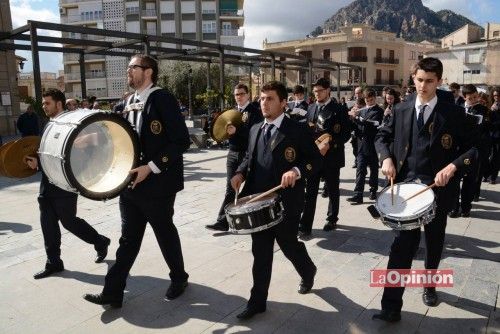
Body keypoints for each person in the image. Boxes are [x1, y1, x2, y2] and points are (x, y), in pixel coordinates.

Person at [372, 57, 477, 322]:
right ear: (413, 79)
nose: (423, 86)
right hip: (405, 191)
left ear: (439, 81)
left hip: (438, 190)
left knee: (433, 242)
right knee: (401, 246)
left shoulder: (453, 112)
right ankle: (391, 306)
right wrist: (385, 157)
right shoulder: (401, 108)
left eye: (429, 81)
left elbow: (474, 148)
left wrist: (453, 166)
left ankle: (430, 285)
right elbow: (382, 136)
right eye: (419, 80)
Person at [83, 54, 191, 307]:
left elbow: (181, 141)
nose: (128, 72)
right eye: (129, 69)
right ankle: (112, 293)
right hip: (130, 184)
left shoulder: (162, 98)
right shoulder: (128, 102)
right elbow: (115, 138)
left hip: (158, 184)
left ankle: (179, 278)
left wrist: (151, 167)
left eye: (132, 68)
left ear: (149, 71)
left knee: (164, 234)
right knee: (128, 240)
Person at [230, 81, 321, 320]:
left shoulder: (297, 130)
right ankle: (257, 301)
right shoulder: (255, 129)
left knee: (289, 245)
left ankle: (307, 270)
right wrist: (239, 173)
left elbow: (314, 160)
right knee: (260, 253)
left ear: (283, 102)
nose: (264, 103)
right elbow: (249, 157)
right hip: (258, 203)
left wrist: (297, 171)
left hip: (286, 201)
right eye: (261, 98)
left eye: (270, 99)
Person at [24, 88, 110, 280]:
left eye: (47, 103)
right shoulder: (49, 124)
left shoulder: (75, 121)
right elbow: (48, 153)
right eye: (44, 103)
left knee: (69, 222)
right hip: (47, 184)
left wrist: (86, 140)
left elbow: (104, 136)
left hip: (65, 183)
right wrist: (37, 163)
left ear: (59, 104)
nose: (44, 106)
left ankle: (100, 241)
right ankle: (54, 263)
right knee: (48, 225)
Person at [206, 83, 263, 232]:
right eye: (236, 94)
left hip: (247, 154)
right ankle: (222, 221)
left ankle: (248, 219)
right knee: (230, 188)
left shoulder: (255, 112)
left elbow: (254, 134)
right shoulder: (232, 112)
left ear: (248, 95)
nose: (239, 97)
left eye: (242, 94)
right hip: (232, 152)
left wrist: (237, 131)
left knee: (250, 188)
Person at [299, 78, 351, 236]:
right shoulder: (311, 107)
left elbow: (346, 134)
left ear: (328, 90)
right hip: (314, 157)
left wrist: (330, 143)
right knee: (310, 192)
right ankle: (305, 224)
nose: (317, 94)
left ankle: (332, 218)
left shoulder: (338, 108)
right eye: (315, 91)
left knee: (333, 189)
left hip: (331, 156)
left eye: (320, 91)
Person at [449, 84, 490, 217]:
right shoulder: (457, 109)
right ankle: (454, 208)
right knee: (454, 179)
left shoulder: (483, 110)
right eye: (470, 98)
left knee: (470, 181)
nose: (474, 99)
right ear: (464, 97)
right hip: (458, 150)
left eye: (475, 97)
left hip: (475, 149)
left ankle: (466, 208)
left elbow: (486, 129)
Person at [347, 88, 384, 204]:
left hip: (372, 144)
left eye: (371, 99)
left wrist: (357, 117)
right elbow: (356, 126)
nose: (369, 102)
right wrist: (350, 118)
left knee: (373, 169)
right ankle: (358, 194)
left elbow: (371, 124)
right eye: (367, 100)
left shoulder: (378, 111)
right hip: (361, 144)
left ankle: (373, 190)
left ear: (375, 98)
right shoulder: (361, 110)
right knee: (360, 169)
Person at [489, 87, 500, 184]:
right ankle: (487, 174)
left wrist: (495, 111)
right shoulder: (491, 105)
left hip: (498, 136)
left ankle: (493, 177)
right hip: (490, 135)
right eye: (494, 95)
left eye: (497, 95)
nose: (496, 97)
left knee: (495, 157)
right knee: (489, 156)